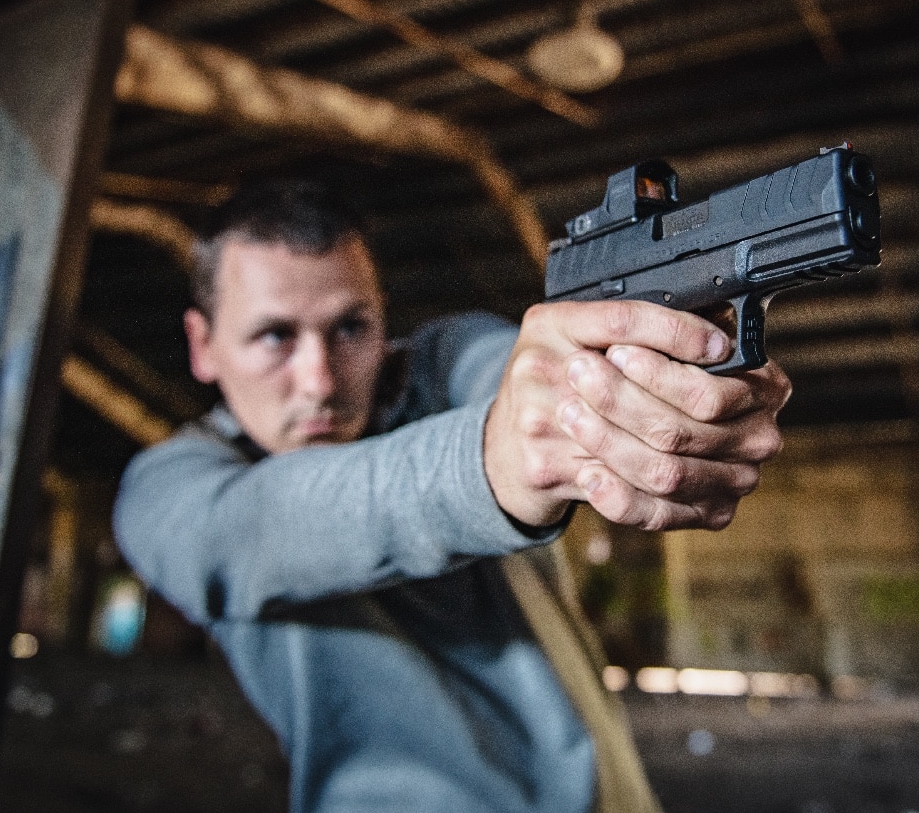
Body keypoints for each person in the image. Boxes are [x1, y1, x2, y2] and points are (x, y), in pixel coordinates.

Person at [113, 178, 791, 813]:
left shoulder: (441, 362)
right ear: (202, 345)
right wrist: (497, 456)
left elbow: (514, 372)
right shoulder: (172, 486)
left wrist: (629, 387)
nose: (319, 379)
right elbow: (266, 521)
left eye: (351, 327)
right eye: (275, 336)